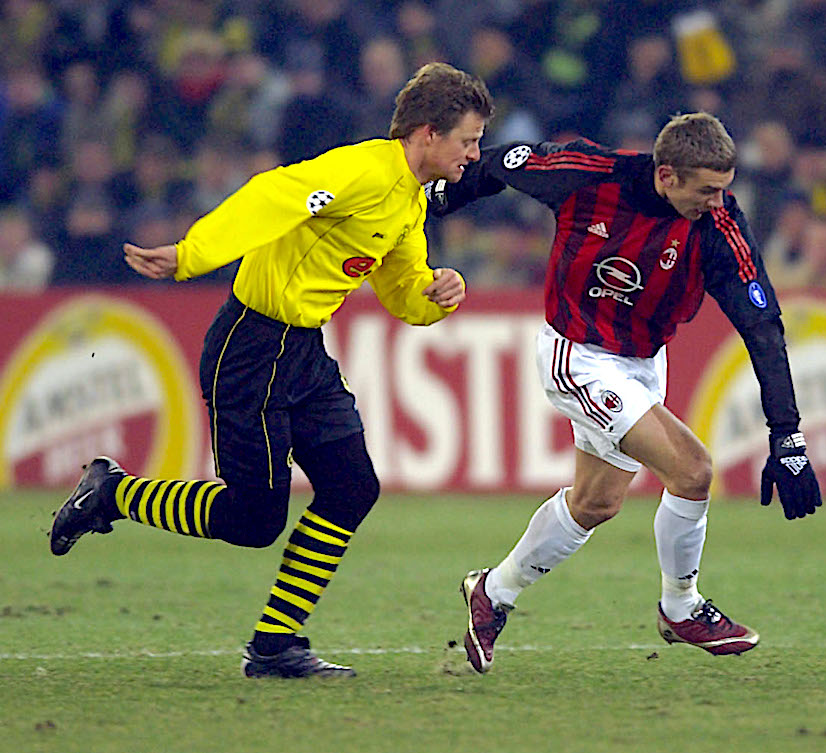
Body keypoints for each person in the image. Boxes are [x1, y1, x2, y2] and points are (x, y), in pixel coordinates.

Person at [48, 63, 494, 679]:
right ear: (426, 134)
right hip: (251, 348)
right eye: (467, 139)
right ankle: (114, 493)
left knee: (351, 487)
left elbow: (402, 287)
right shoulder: (363, 171)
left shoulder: (408, 199)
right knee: (254, 520)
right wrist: (190, 254)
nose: (475, 153)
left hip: (302, 352)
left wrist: (438, 293)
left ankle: (275, 647)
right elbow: (271, 196)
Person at [427, 113, 823, 674]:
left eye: (725, 190)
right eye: (707, 190)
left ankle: (492, 592)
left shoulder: (717, 228)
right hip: (578, 355)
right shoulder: (588, 175)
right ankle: (680, 609)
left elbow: (762, 328)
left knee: (596, 503)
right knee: (692, 470)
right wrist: (440, 199)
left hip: (642, 360)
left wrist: (788, 435)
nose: (718, 202)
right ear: (666, 175)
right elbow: (500, 163)